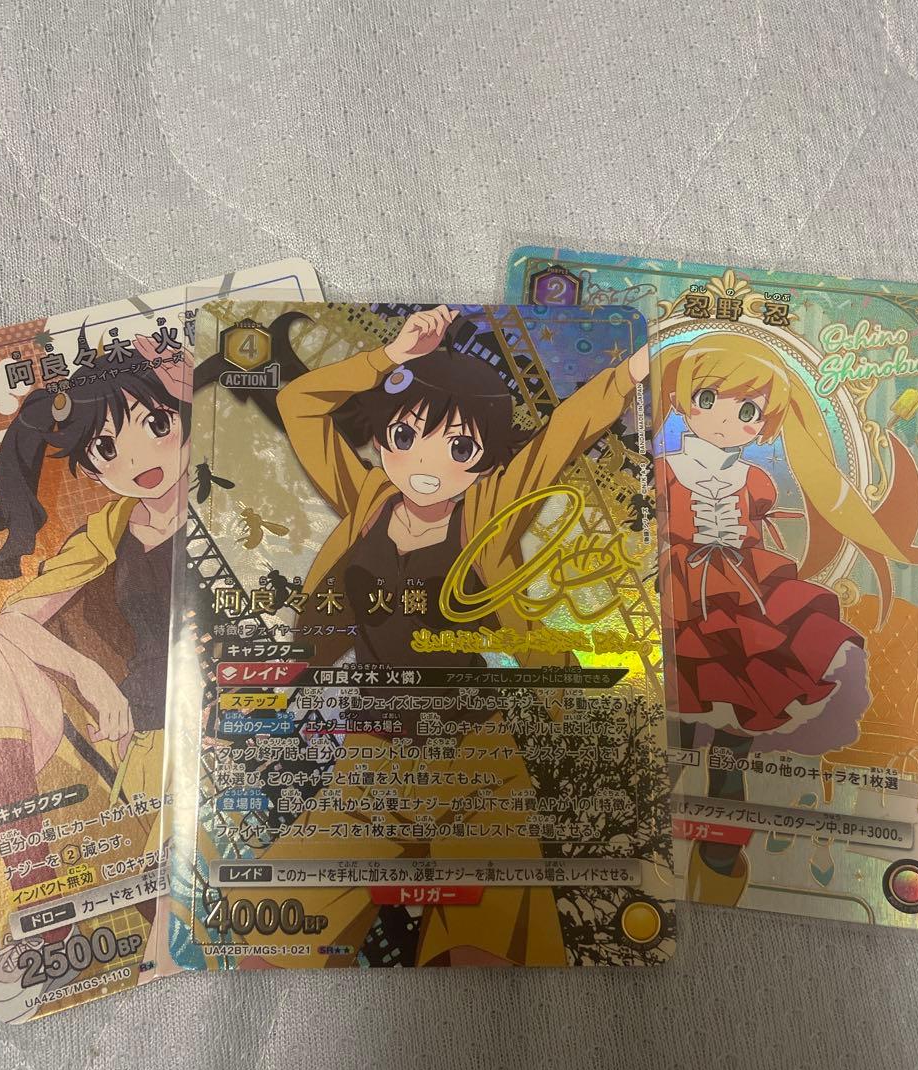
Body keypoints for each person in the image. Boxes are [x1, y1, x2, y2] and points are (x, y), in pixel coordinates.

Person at [236, 305, 649, 966]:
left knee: (488, 958)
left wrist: (631, 371)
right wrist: (390, 358)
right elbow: (299, 404)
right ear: (383, 436)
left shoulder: (486, 512)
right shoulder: (368, 499)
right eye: (405, 436)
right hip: (373, 763)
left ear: (485, 459)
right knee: (271, 935)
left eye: (459, 448)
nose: (427, 464)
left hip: (476, 765)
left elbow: (562, 434)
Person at [0, 332, 188, 1017]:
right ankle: (42, 901)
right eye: (105, 447)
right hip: (145, 735)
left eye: (156, 425)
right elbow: (14, 619)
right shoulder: (114, 525)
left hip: (237, 726)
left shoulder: (238, 498)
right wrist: (91, 677)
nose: (136, 460)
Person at [654, 331, 918, 905]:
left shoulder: (756, 481)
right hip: (679, 600)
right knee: (676, 730)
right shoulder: (664, 470)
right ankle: (644, 827)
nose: (726, 419)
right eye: (709, 399)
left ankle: (722, 849)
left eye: (747, 411)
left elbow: (753, 536)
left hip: (744, 606)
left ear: (762, 423)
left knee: (736, 732)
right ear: (685, 401)